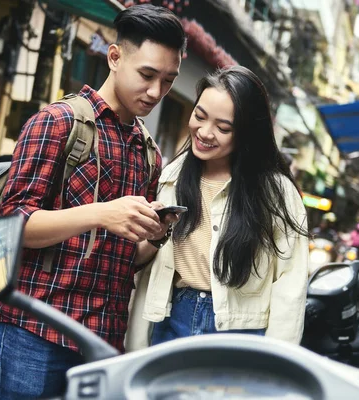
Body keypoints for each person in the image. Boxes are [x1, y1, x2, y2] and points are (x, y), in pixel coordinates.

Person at [0, 5, 186, 399]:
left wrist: (155, 235)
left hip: (103, 344)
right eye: (147, 75)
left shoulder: (149, 153)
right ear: (114, 57)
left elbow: (129, 257)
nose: (156, 92)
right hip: (34, 333)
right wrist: (102, 214)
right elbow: (7, 227)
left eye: (168, 80)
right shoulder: (58, 122)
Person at [126, 66, 309, 351]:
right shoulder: (170, 177)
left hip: (241, 333)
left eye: (223, 128)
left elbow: (290, 285)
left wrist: (275, 362)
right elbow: (147, 272)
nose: (205, 132)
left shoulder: (276, 192)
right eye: (199, 116)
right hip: (173, 320)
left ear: (246, 133)